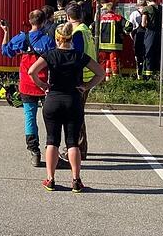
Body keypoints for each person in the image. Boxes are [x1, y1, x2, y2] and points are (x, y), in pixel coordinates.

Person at [28, 22, 105, 192]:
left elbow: (31, 71)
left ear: (57, 38)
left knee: (52, 140)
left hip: (53, 101)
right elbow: (100, 73)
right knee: (72, 142)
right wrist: (86, 86)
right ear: (71, 38)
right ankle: (76, 180)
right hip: (73, 101)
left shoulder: (50, 55)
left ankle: (50, 179)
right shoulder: (79, 56)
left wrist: (43, 85)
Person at [1, 9, 57, 167]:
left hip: (26, 85)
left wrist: (6, 32)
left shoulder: (21, 38)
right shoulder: (47, 41)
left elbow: (5, 51)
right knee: (51, 119)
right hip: (45, 85)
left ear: (30, 21)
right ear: (44, 22)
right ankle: (52, 151)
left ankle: (34, 152)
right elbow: (55, 62)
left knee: (30, 118)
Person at [63, 1, 96, 161]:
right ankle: (80, 147)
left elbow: (76, 57)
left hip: (80, 78)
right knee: (78, 113)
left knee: (75, 115)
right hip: (88, 75)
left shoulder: (77, 33)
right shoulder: (85, 29)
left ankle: (77, 148)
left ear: (68, 16)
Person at [98, 2, 125, 80]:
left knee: (103, 63)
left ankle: (102, 80)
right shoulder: (118, 17)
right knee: (114, 63)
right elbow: (128, 25)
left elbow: (91, 27)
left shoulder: (101, 18)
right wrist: (123, 34)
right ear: (114, 9)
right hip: (114, 46)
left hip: (102, 46)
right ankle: (115, 81)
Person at [141, 0, 162, 79]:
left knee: (148, 53)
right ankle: (157, 75)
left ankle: (147, 76)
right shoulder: (162, 8)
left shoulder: (147, 8)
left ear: (147, 1)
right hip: (160, 34)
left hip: (150, 32)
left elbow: (143, 24)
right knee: (158, 54)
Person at [128, 0, 147, 78]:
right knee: (146, 54)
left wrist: (131, 36)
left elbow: (130, 26)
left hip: (137, 36)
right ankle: (146, 72)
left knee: (138, 56)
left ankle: (139, 73)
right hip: (147, 35)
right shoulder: (148, 12)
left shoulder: (134, 14)